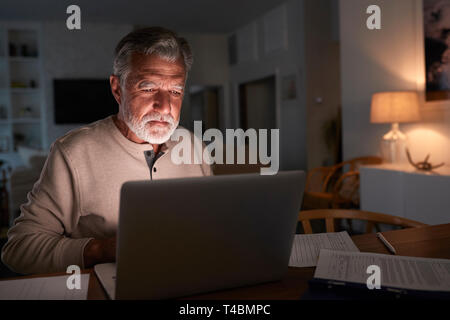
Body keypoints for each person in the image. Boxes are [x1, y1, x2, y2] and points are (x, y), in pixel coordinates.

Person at [1, 27, 212, 274]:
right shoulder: (73, 153)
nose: (165, 107)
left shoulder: (194, 146)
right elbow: (19, 248)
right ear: (117, 89)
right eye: (148, 88)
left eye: (175, 91)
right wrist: (101, 249)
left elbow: (212, 224)